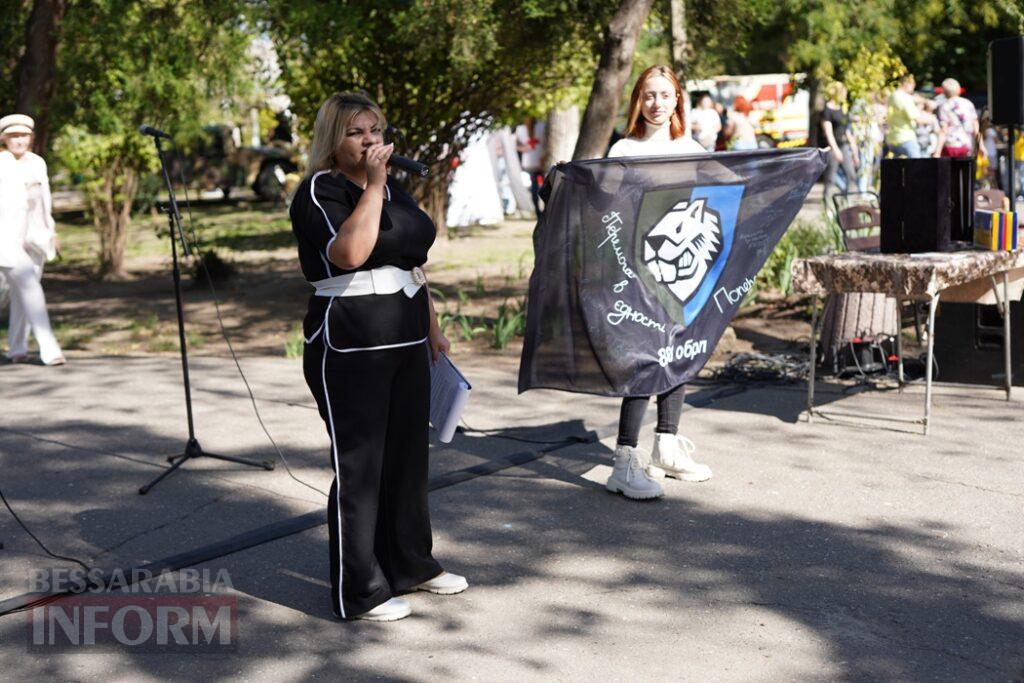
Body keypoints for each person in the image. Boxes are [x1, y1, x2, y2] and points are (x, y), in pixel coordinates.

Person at [289, 92, 466, 622]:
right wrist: (372, 187)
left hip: (408, 337)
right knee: (362, 466)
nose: (370, 140)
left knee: (409, 459)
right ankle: (360, 589)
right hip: (350, 343)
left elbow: (414, 261)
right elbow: (349, 254)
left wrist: (432, 328)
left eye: (375, 130)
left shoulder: (396, 190)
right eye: (356, 132)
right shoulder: (321, 191)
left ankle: (412, 564)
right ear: (332, 140)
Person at [603, 65, 713, 501]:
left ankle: (666, 444)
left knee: (678, 351)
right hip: (636, 269)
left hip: (684, 273)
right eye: (648, 95)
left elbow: (724, 195)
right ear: (637, 100)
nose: (656, 103)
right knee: (646, 358)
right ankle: (623, 459)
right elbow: (603, 206)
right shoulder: (623, 149)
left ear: (677, 101)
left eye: (665, 95)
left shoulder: (691, 148)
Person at [0, 114, 64, 366]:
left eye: (23, 135)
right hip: (5, 238)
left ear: (31, 137)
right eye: (13, 135)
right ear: (4, 138)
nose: (19, 140)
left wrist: (52, 232)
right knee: (29, 286)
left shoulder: (38, 163)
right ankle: (49, 348)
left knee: (23, 294)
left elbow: (43, 203)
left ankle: (17, 348)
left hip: (35, 238)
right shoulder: (1, 162)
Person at [821, 81, 859, 200]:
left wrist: (854, 149)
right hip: (832, 148)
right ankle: (828, 205)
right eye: (843, 92)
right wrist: (835, 150)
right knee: (830, 179)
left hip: (843, 146)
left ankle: (848, 203)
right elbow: (828, 133)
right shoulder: (827, 110)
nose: (845, 95)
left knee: (851, 175)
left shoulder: (843, 109)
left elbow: (846, 130)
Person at [885, 75, 932, 158]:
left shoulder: (893, 95)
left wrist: (923, 101)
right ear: (906, 83)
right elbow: (917, 118)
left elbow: (912, 99)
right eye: (913, 84)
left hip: (892, 138)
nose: (913, 87)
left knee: (896, 168)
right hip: (906, 138)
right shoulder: (905, 98)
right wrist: (932, 118)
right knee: (916, 166)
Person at [934, 78, 978, 159]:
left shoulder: (944, 106)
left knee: (949, 171)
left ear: (944, 91)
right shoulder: (968, 104)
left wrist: (937, 151)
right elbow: (976, 127)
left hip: (950, 146)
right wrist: (980, 145)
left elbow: (944, 129)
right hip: (967, 146)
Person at [515, 117, 546, 217]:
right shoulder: (522, 129)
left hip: (535, 161)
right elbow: (516, 145)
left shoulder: (540, 126)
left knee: (537, 186)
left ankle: (539, 209)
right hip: (535, 161)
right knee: (539, 186)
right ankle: (540, 209)